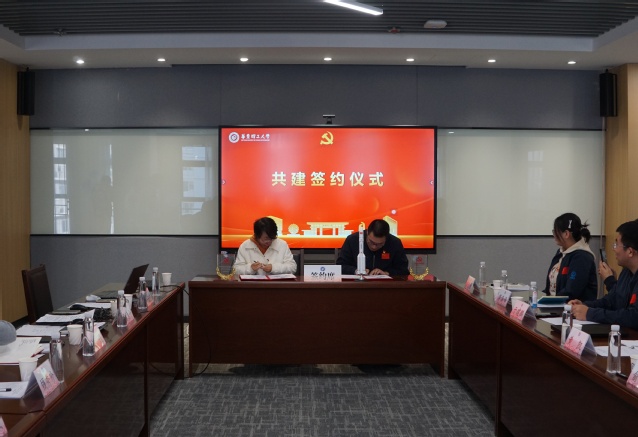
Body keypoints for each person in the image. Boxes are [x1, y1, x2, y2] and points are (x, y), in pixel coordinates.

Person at [570, 220, 638, 329]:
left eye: (616, 244)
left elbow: (633, 317)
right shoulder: (626, 272)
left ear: (630, 251)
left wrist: (590, 313)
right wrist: (584, 306)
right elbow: (611, 301)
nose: (614, 249)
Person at [542, 213, 597, 301]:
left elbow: (572, 291)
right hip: (555, 304)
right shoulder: (561, 252)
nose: (554, 235)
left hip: (572, 307)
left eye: (555, 231)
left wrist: (549, 301)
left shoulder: (582, 257)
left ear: (566, 234)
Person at [337, 219, 409, 276]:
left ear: (386, 238)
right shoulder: (352, 240)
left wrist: (386, 273)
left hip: (385, 286)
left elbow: (403, 270)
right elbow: (340, 266)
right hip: (357, 285)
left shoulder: (395, 243)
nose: (374, 247)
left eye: (379, 244)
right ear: (367, 233)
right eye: (371, 242)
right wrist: (355, 270)